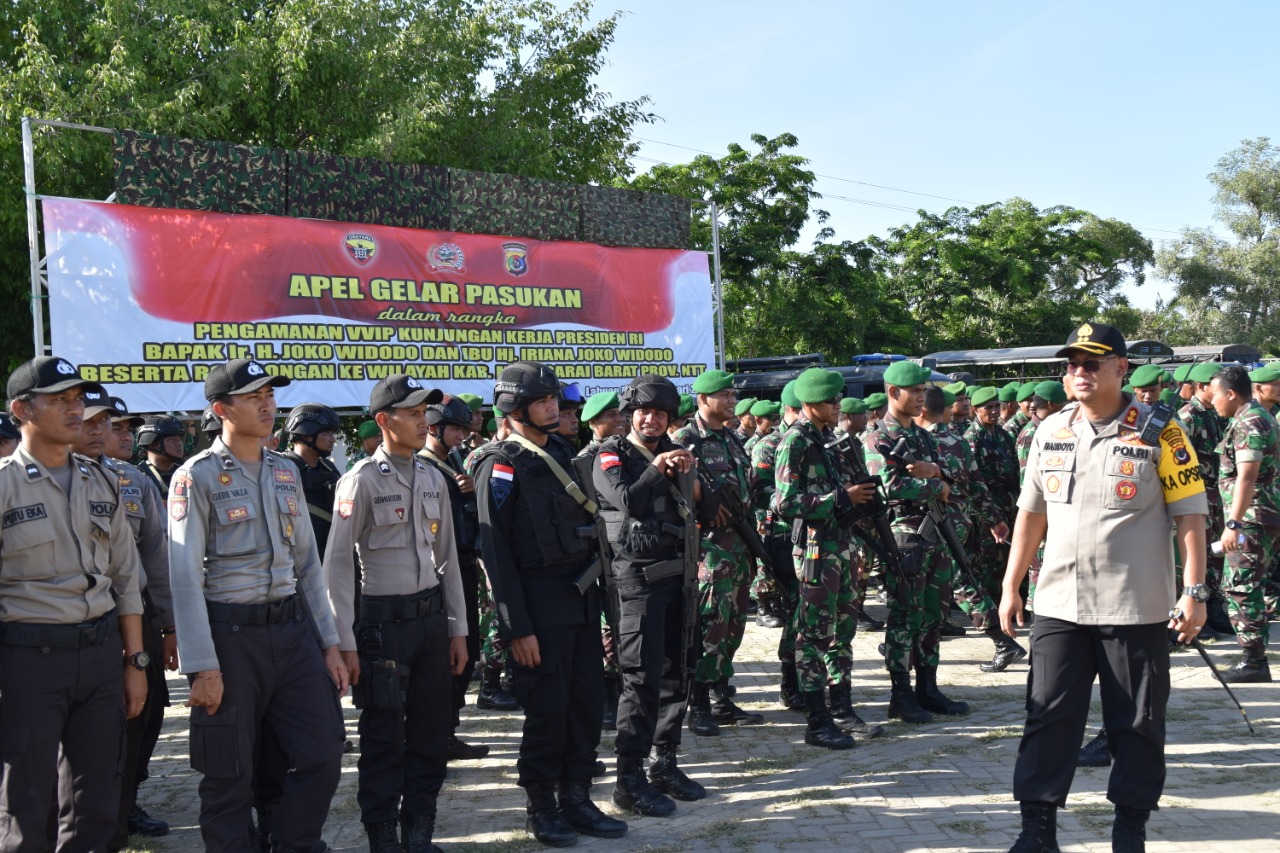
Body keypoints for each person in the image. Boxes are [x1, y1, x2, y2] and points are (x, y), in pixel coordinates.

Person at [999, 322, 1208, 852]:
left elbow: (1190, 518)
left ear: (1122, 368)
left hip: (1134, 606)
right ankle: (1036, 831)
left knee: (1137, 724)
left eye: (1091, 362)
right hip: (1059, 603)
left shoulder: (1162, 431)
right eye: (1072, 363)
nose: (1079, 372)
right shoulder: (1052, 430)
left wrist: (1195, 591)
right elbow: (1030, 515)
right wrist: (1011, 586)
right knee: (1047, 716)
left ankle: (1129, 831)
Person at [168, 358, 348, 852]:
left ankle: (294, 842)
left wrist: (329, 644)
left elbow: (309, 567)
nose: (267, 404)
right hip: (230, 638)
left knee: (322, 751)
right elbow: (183, 578)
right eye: (253, 397)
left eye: (269, 395)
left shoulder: (285, 471)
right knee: (229, 770)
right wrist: (202, 667)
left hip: (292, 633)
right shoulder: (196, 476)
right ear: (222, 408)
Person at [473, 361, 625, 846]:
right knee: (548, 709)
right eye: (542, 401)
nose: (553, 407)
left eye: (553, 399)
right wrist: (517, 628)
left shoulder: (561, 449)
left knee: (585, 703)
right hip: (536, 605)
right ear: (515, 409)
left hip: (580, 597)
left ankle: (577, 798)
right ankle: (542, 806)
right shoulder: (499, 463)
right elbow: (494, 552)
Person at [0, 356, 147, 852]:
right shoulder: (3, 484)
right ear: (22, 408)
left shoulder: (100, 480)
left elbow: (126, 578)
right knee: (25, 805)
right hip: (27, 661)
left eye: (77, 399)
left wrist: (135, 661)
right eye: (59, 400)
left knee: (96, 806)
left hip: (100, 656)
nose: (74, 409)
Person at [324, 375, 468, 852]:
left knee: (431, 733)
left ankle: (419, 833)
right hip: (381, 627)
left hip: (430, 623)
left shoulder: (434, 478)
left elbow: (447, 559)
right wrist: (343, 641)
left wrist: (458, 630)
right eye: (410, 413)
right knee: (384, 738)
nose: (422, 421)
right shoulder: (359, 480)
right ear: (384, 421)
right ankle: (383, 837)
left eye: (424, 412)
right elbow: (338, 568)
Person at [591, 374, 707, 816]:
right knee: (640, 680)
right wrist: (659, 470)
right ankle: (628, 778)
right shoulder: (612, 455)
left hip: (678, 578)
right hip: (637, 584)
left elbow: (708, 509)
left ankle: (665, 762)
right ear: (629, 415)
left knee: (678, 669)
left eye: (660, 414)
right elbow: (629, 501)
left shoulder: (675, 454)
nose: (652, 419)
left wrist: (690, 475)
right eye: (644, 412)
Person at [74, 389, 178, 848]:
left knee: (146, 715)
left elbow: (156, 557)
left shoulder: (132, 480)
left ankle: (126, 802)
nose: (118, 435)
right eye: (109, 425)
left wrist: (171, 626)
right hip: (82, 623)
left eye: (121, 427)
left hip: (139, 616)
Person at [774, 368, 884, 750]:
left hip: (842, 545)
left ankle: (842, 709)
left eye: (838, 399)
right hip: (816, 551)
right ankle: (817, 720)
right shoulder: (796, 441)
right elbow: (785, 503)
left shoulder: (829, 439)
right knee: (814, 633)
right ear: (808, 404)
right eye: (830, 401)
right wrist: (842, 499)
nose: (838, 406)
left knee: (843, 628)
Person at [863, 360, 965, 724]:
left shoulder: (921, 436)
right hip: (903, 538)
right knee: (905, 615)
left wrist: (937, 476)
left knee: (933, 614)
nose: (923, 397)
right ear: (894, 392)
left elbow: (950, 476)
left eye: (924, 391)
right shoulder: (878, 437)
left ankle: (928, 687)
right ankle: (900, 693)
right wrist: (936, 485)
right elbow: (888, 488)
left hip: (932, 534)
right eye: (917, 391)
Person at [671, 369, 765, 736]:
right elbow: (674, 493)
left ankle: (723, 697)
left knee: (734, 625)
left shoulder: (730, 438)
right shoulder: (685, 438)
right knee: (709, 624)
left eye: (732, 394)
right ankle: (698, 704)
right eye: (724, 395)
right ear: (703, 400)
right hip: (707, 550)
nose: (732, 401)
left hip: (738, 546)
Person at [921, 386, 1022, 673]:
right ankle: (919, 640)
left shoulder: (927, 442)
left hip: (940, 524)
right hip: (962, 521)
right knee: (939, 583)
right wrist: (994, 520)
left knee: (959, 583)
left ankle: (1003, 641)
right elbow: (978, 485)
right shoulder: (958, 440)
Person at [419, 392, 491, 760]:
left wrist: (471, 493)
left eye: (465, 428)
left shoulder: (454, 461)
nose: (463, 436)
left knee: (467, 651)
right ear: (434, 428)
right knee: (448, 656)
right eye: (456, 429)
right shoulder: (423, 468)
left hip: (462, 567)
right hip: (438, 572)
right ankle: (436, 737)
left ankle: (447, 731)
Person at [1209, 364, 1278, 682]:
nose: (1212, 401)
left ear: (1232, 393)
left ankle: (1253, 662)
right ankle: (1254, 658)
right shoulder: (1254, 416)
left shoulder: (1249, 420)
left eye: (1216, 394)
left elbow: (1247, 475)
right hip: (1258, 516)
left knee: (1241, 587)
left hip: (1251, 519)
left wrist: (1233, 524)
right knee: (1250, 586)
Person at [280, 403, 343, 559]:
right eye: (327, 433)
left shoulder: (329, 468)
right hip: (295, 562)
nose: (333, 439)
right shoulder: (281, 469)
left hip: (330, 557)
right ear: (307, 434)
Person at [136, 413, 187, 498]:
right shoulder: (138, 476)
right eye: (172, 439)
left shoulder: (187, 473)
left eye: (180, 439)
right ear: (153, 444)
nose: (179, 444)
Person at [578, 391, 624, 459]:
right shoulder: (587, 457)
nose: (620, 419)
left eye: (621, 413)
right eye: (611, 414)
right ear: (592, 422)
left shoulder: (628, 449)